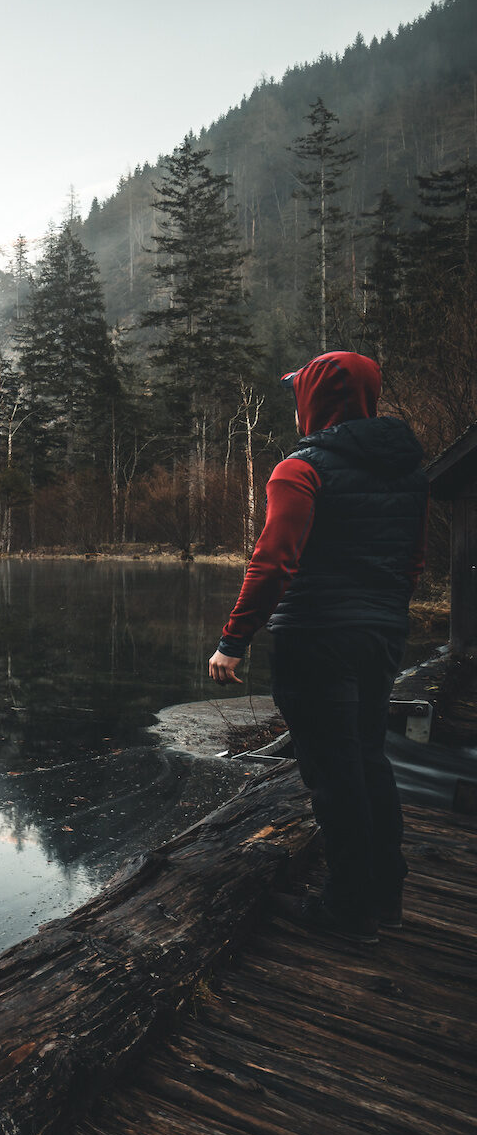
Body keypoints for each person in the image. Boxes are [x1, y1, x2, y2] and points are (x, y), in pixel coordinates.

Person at [207, 351, 428, 944]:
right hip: (381, 634)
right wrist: (383, 614)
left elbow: (274, 562)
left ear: (316, 399)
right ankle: (385, 898)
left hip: (316, 637)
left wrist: (233, 640)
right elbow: (411, 562)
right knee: (369, 759)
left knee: (333, 776)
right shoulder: (407, 470)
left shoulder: (300, 468)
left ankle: (347, 912)